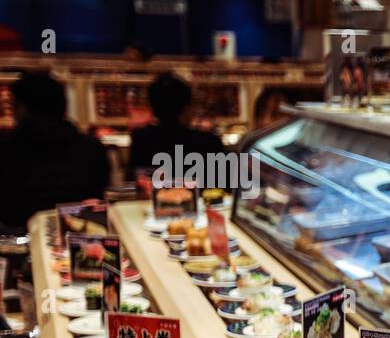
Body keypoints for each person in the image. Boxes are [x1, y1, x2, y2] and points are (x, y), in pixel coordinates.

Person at [0, 71, 109, 231]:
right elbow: (97, 200)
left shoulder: (6, 147)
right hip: (79, 236)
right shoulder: (92, 147)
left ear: (22, 109)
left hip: (16, 238)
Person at [128, 72, 224, 177]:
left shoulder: (141, 139)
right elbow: (227, 185)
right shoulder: (209, 143)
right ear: (186, 108)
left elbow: (133, 180)